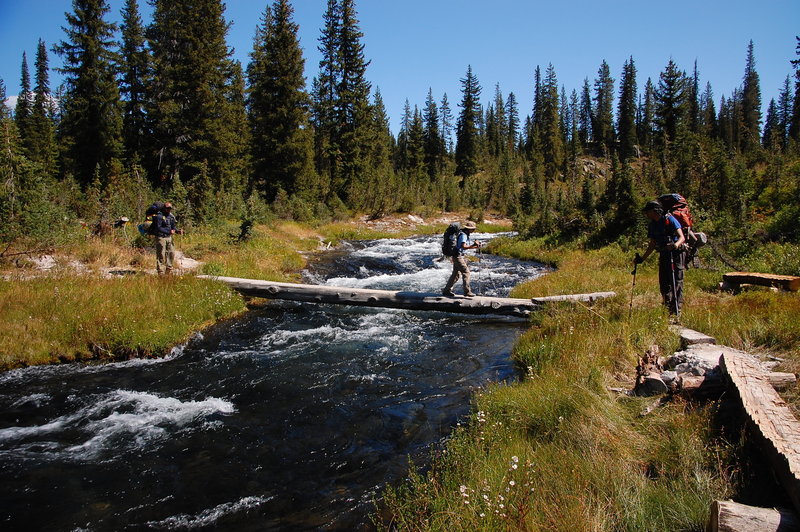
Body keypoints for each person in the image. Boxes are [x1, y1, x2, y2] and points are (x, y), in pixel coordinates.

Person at [633, 200, 686, 318]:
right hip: (664, 254)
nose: (646, 214)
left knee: (676, 281)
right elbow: (652, 244)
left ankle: (677, 310)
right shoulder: (653, 225)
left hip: (676, 254)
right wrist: (642, 259)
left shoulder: (669, 219)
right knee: (664, 282)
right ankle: (667, 308)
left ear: (654, 211)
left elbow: (682, 237)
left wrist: (675, 245)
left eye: (648, 211)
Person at [442, 221, 482, 297]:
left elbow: (462, 247)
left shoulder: (462, 233)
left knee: (455, 274)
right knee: (466, 272)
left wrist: (475, 246)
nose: (473, 230)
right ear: (468, 229)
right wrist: (473, 245)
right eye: (472, 229)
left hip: (456, 255)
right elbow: (463, 246)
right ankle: (467, 292)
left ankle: (446, 291)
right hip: (458, 256)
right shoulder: (463, 235)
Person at [153, 202, 183, 274]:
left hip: (169, 237)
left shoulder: (170, 216)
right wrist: (168, 231)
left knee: (171, 253)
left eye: (170, 208)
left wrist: (177, 231)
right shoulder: (159, 216)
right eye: (167, 208)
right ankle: (160, 272)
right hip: (161, 237)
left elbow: (172, 227)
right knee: (161, 254)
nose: (169, 209)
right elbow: (158, 228)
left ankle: (168, 270)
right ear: (164, 208)